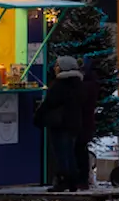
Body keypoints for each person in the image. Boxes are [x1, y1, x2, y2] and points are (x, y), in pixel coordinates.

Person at [32, 56, 97, 192]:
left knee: (61, 154)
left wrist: (38, 118)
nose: (55, 68)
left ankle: (63, 180)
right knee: (70, 153)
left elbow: (49, 104)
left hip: (59, 124)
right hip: (74, 123)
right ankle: (73, 181)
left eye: (57, 65)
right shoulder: (79, 84)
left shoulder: (59, 85)